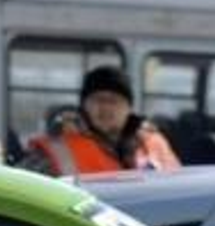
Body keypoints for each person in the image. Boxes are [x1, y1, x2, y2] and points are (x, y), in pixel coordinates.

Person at [21, 64, 181, 176]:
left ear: (129, 107)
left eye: (113, 101)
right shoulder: (58, 150)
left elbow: (177, 190)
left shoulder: (155, 145)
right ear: (84, 106)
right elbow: (22, 190)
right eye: (98, 100)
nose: (105, 107)